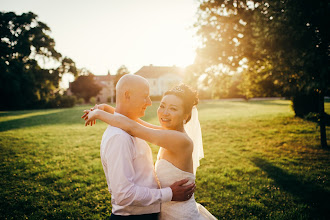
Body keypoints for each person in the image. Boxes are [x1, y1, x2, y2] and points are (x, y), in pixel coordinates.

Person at [83, 80, 217, 219]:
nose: (164, 113)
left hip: (180, 215)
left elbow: (133, 127)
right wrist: (107, 108)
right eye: (162, 106)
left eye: (173, 108)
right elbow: (136, 122)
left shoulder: (181, 140)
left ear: (186, 116)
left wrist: (98, 114)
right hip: (165, 212)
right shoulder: (169, 133)